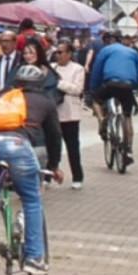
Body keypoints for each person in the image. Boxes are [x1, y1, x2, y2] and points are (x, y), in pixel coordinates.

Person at [0, 65, 63, 275]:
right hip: (16, 145)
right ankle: (33, 257)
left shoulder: (5, 96)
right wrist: (54, 166)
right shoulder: (46, 102)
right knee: (31, 199)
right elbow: (54, 136)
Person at [90, 33, 138, 168]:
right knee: (127, 117)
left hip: (110, 83)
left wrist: (93, 88)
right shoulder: (133, 52)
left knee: (96, 100)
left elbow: (96, 71)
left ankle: (101, 119)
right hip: (127, 85)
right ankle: (128, 150)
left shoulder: (105, 51)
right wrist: (135, 85)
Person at [53, 41, 86, 189]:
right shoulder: (52, 67)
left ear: (69, 54)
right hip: (53, 113)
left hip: (70, 114)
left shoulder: (78, 69)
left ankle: (77, 176)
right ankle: (49, 174)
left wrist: (59, 83)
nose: (58, 55)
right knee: (52, 146)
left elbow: (77, 89)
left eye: (61, 52)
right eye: (57, 52)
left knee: (72, 147)